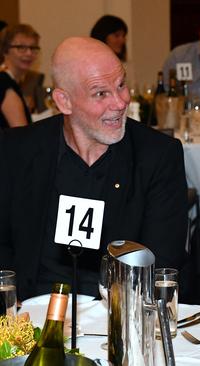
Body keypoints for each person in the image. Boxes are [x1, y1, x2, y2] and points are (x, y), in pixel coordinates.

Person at [0, 37, 188, 300]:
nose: (120, 102)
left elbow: (162, 261)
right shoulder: (17, 149)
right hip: (32, 310)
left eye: (121, 85)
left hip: (117, 312)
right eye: (101, 93)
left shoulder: (157, 155)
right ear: (64, 101)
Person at [0, 24, 39, 129]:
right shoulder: (4, 83)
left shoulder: (10, 80)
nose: (29, 53)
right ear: (5, 50)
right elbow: (21, 135)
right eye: (21, 47)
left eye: (33, 48)